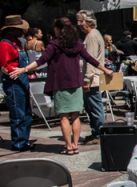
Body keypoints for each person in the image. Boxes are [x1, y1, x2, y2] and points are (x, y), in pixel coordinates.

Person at [11, 19, 112, 154]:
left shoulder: (54, 45)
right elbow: (90, 59)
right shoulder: (78, 44)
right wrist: (106, 70)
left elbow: (41, 60)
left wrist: (23, 69)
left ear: (58, 29)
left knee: (64, 117)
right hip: (76, 83)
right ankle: (75, 145)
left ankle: (68, 146)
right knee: (75, 116)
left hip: (60, 84)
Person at [0, 15, 34, 152]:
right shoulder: (5, 44)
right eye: (20, 29)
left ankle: (24, 140)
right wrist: (17, 72)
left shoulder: (17, 43)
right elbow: (5, 66)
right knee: (18, 114)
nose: (23, 32)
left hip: (22, 81)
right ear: (12, 29)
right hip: (13, 82)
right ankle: (19, 143)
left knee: (26, 113)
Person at [76, 10, 107, 145]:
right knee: (91, 108)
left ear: (89, 22)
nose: (78, 24)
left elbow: (91, 59)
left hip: (92, 79)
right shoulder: (91, 35)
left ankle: (100, 134)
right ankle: (96, 132)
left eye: (81, 21)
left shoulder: (92, 36)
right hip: (91, 78)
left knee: (95, 107)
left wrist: (87, 79)